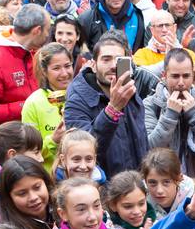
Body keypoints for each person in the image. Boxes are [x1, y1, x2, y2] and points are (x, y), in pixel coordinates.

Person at [62, 30, 159, 176]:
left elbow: (141, 145)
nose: (113, 66)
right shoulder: (77, 101)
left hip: (136, 186)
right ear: (93, 65)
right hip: (104, 191)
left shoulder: (130, 93)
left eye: (119, 60)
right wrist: (112, 109)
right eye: (106, 59)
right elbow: (85, 151)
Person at [143, 48, 195, 182]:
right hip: (162, 187)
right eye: (175, 76)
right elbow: (149, 150)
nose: (181, 83)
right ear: (164, 75)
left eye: (186, 76)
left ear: (193, 76)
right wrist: (170, 115)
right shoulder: (150, 104)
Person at [0, 3, 49, 123]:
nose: (47, 35)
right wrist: (28, 105)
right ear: (37, 31)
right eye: (47, 30)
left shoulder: (36, 53)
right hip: (13, 137)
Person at [19, 42, 75, 167]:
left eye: (67, 66)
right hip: (50, 179)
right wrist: (53, 140)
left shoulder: (82, 96)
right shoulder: (33, 103)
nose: (65, 73)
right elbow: (27, 154)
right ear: (44, 71)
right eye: (56, 68)